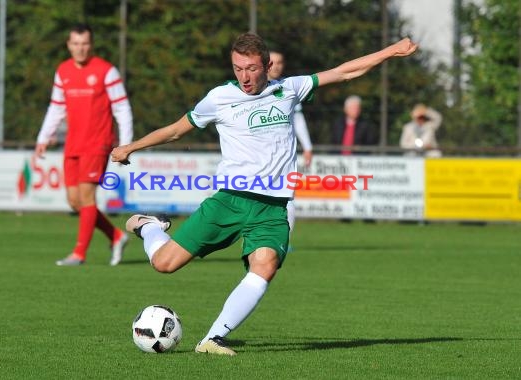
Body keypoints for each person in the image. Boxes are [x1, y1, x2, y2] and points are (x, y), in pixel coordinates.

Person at [111, 32, 417, 355]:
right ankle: (148, 226)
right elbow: (175, 130)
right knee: (164, 264)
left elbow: (343, 72)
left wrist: (391, 51)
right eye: (238, 68)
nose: (244, 76)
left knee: (265, 265)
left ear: (268, 66)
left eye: (252, 68)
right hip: (229, 201)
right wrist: (131, 147)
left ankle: (212, 339)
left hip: (273, 207)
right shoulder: (218, 98)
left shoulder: (289, 89)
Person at [35, 24, 133, 266]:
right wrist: (43, 137)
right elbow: (56, 107)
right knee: (74, 201)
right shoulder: (63, 71)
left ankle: (79, 253)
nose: (80, 48)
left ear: (91, 44)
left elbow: (122, 109)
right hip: (73, 144)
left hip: (97, 143)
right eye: (76, 43)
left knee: (87, 197)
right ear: (69, 45)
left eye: (85, 43)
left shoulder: (106, 71)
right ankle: (116, 236)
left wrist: (126, 144)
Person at [267, 50, 313, 241]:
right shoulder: (251, 88)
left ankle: (283, 240)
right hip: (257, 154)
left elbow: (299, 120)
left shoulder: (288, 87)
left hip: (284, 154)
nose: (276, 66)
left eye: (280, 62)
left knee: (286, 197)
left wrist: (308, 146)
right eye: (272, 62)